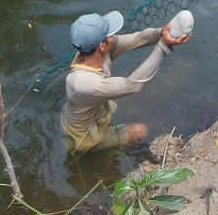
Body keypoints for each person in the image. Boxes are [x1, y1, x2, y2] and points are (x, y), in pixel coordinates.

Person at [61, 10, 191, 153]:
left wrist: (162, 33)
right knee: (140, 131)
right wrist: (164, 46)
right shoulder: (83, 83)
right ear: (102, 46)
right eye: (109, 34)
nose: (113, 36)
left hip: (94, 113)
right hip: (84, 136)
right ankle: (106, 151)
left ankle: (114, 145)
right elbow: (132, 85)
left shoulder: (93, 50)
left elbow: (138, 38)